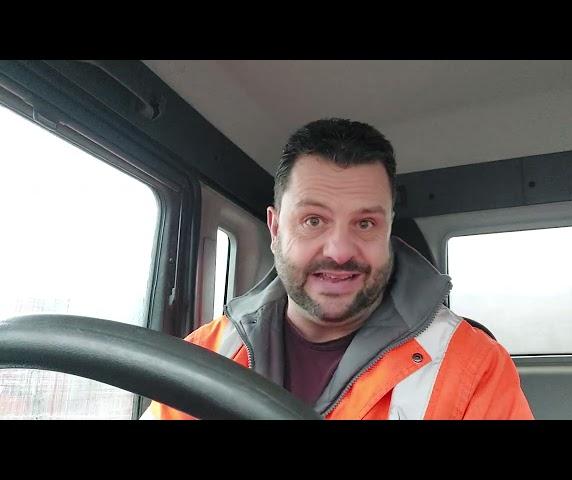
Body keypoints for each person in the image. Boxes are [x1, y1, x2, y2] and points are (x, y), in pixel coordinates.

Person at [143, 118, 534, 420]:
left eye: (365, 223)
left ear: (388, 230)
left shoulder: (473, 367)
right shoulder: (204, 354)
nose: (341, 251)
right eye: (313, 220)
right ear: (275, 229)